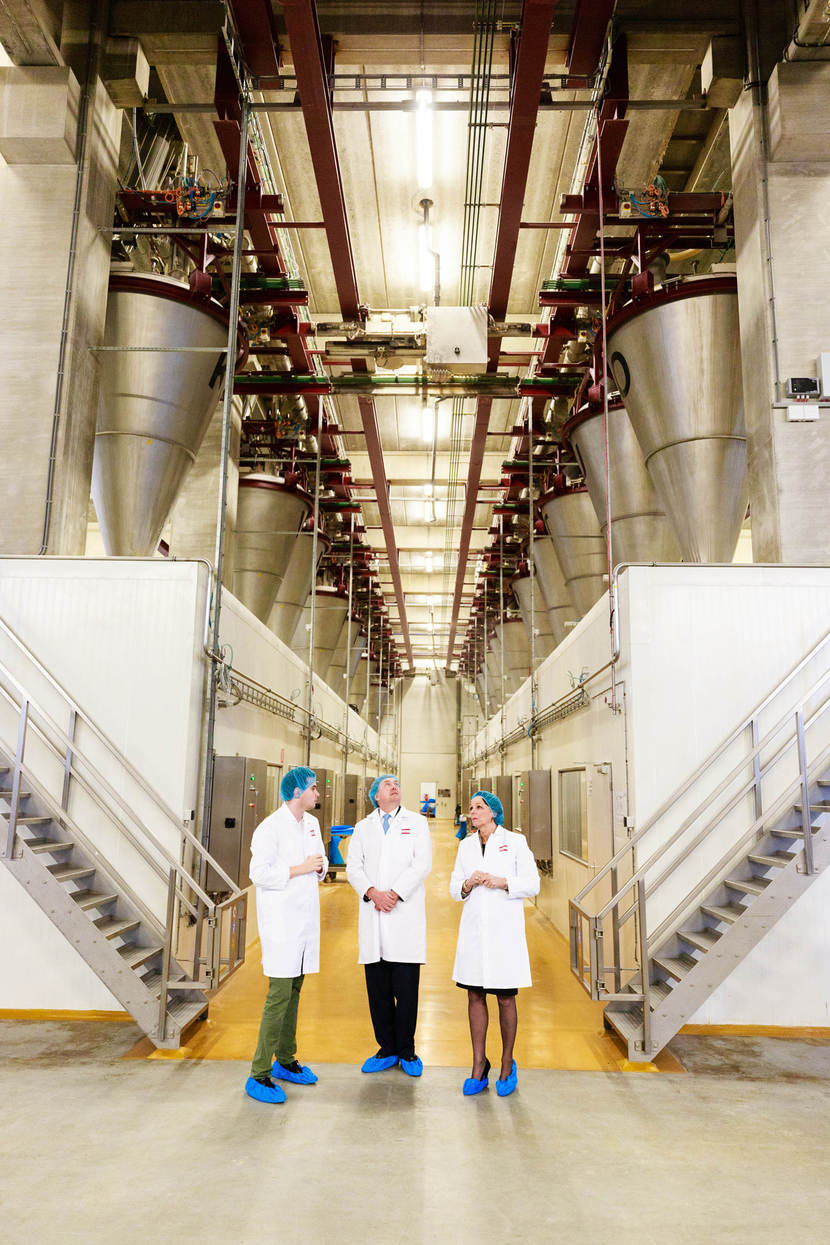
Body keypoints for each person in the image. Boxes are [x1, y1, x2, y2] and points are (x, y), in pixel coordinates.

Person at [244, 765, 327, 1105]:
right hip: (281, 924)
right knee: (278, 995)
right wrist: (301, 868)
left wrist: (318, 868)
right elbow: (259, 874)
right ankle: (259, 1073)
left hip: (305, 923)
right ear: (296, 792)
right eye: (313, 788)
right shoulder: (270, 828)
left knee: (294, 990)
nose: (318, 793)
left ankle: (286, 1059)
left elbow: (319, 862)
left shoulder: (312, 823)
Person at [450, 789, 540, 1098]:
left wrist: (502, 882)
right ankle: (479, 1064)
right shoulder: (465, 845)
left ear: (494, 812)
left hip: (504, 933)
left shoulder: (515, 842)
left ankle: (506, 1062)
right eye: (471, 807)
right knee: (474, 995)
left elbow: (533, 883)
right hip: (474, 931)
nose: (472, 812)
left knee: (505, 998)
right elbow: (454, 888)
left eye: (479, 807)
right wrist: (468, 883)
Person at [346, 774, 432, 1076]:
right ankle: (386, 1049)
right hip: (374, 915)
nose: (394, 787)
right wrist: (373, 893)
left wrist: (394, 894)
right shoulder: (363, 827)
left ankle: (407, 1051)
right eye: (387, 785)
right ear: (376, 796)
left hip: (403, 914)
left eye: (397, 783)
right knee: (378, 991)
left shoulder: (417, 823)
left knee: (406, 991)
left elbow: (421, 865)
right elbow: (353, 867)